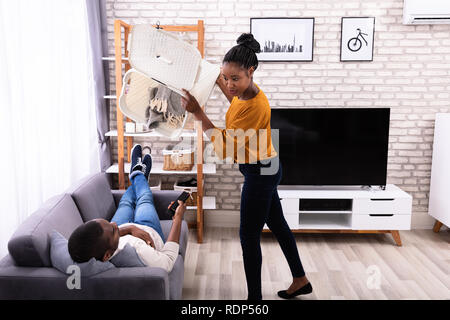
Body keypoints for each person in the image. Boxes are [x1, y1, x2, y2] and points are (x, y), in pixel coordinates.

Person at [181, 33, 312, 300]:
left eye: (234, 79)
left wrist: (198, 113)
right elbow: (235, 105)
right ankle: (301, 280)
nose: (230, 84)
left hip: (260, 171)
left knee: (248, 236)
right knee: (278, 225)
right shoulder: (246, 93)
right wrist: (216, 79)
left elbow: (226, 147)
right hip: (268, 164)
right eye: (226, 78)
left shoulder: (254, 106)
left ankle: (255, 301)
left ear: (250, 71)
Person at [68, 144, 186, 273]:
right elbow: (168, 261)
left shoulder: (98, 246)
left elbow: (112, 229)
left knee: (126, 202)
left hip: (125, 228)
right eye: (113, 229)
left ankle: (138, 175)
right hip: (148, 229)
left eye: (107, 222)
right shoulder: (139, 250)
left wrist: (128, 228)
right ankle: (138, 176)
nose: (113, 224)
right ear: (107, 255)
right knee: (144, 198)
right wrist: (178, 219)